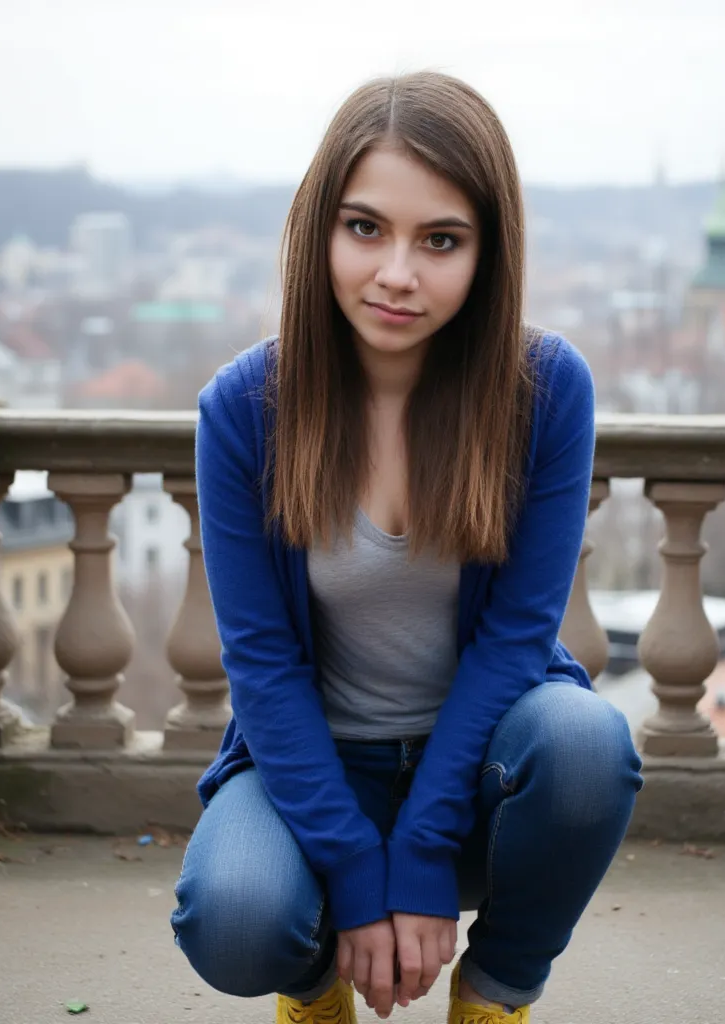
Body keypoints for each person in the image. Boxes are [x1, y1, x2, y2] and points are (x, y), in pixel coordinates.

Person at [170, 70, 643, 1024]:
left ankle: (495, 995)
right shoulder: (244, 411)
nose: (397, 272)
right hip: (311, 762)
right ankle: (312, 995)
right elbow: (260, 664)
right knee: (234, 915)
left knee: (588, 745)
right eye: (365, 228)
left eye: (441, 240)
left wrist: (423, 847)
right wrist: (353, 868)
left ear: (487, 253)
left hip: (483, 769)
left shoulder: (545, 390)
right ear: (319, 231)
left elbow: (517, 640)